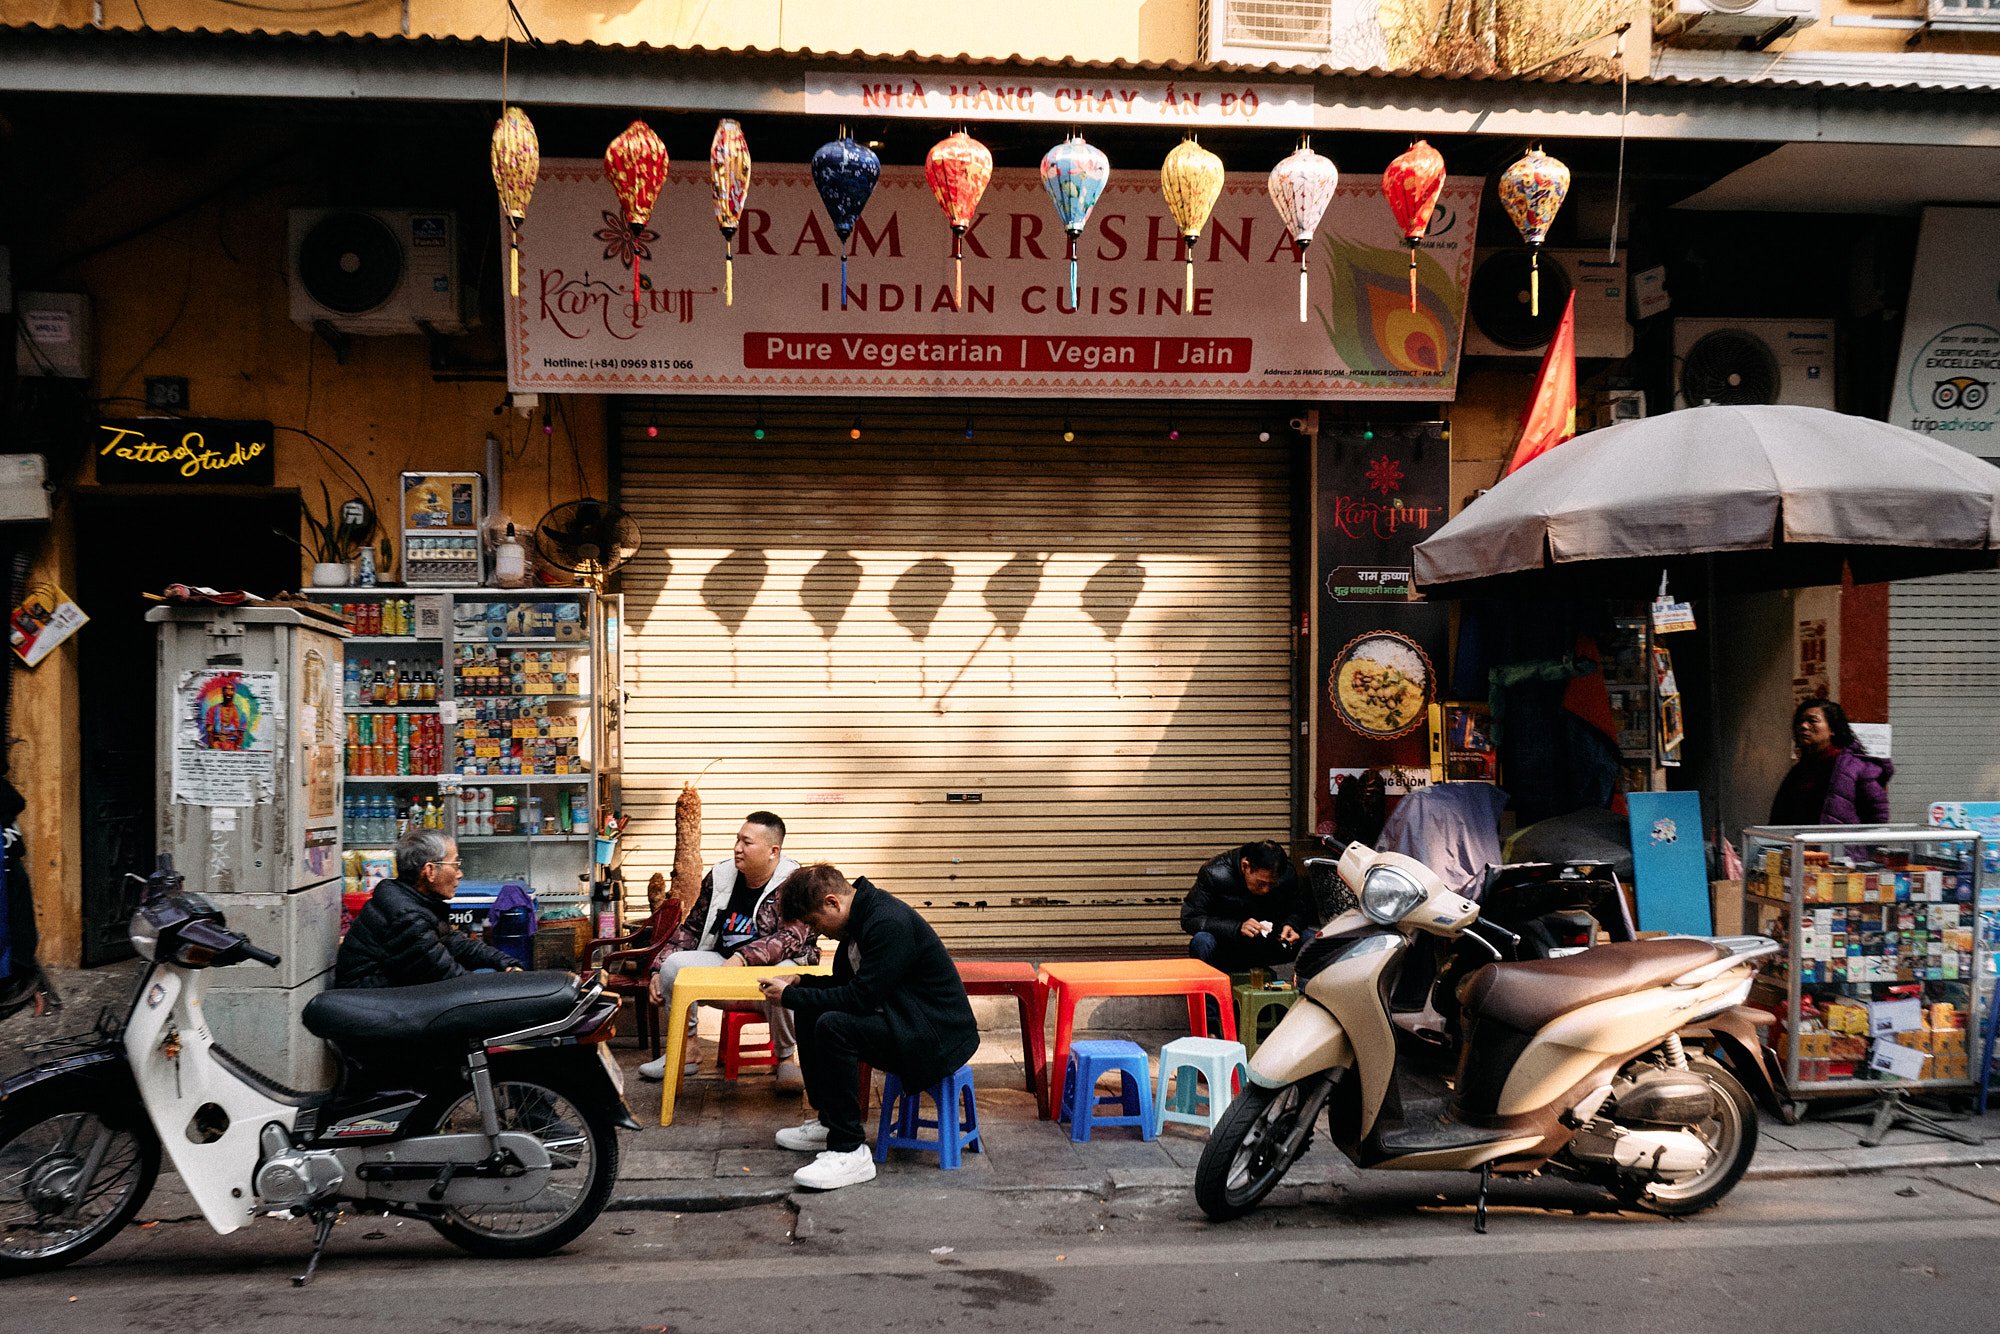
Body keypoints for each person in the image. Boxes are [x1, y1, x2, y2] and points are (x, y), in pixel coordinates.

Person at [758, 864, 979, 1192]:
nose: (817, 932)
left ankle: (850, 1150)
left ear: (833, 903)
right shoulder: (859, 921)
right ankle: (830, 1121)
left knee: (833, 1025)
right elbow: (852, 985)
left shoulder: (887, 923)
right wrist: (800, 983)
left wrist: (794, 994)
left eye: (814, 923)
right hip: (902, 1019)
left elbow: (860, 999)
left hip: (933, 1035)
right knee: (808, 1009)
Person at [637, 811, 815, 1089]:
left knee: (785, 975)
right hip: (722, 968)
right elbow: (692, 929)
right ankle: (688, 1049)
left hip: (765, 981)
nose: (737, 849)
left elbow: (791, 937)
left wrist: (743, 958)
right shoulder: (720, 875)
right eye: (737, 840)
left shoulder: (795, 883)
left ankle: (785, 1059)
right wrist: (658, 968)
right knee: (675, 966)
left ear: (773, 851)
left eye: (747, 842)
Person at [334, 829, 519, 988]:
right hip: (370, 1006)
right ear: (430, 871)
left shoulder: (413, 901)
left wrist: (504, 962)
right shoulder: (408, 918)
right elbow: (453, 981)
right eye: (455, 865)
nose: (460, 874)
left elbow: (455, 943)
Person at [1181, 839, 1313, 974]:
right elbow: (1190, 919)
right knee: (1202, 941)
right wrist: (1237, 927)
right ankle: (1210, 994)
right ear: (1245, 866)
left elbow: (1299, 910)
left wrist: (1291, 925)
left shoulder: (1287, 874)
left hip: (1267, 944)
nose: (1266, 890)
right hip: (1228, 946)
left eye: (1272, 884)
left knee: (1313, 941)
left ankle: (1305, 993)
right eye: (1261, 883)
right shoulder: (1214, 873)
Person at [1769, 698, 1894, 827]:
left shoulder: (1856, 768)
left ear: (1832, 729)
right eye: (1800, 721)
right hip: (1800, 845)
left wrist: (1859, 846)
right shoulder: (1799, 771)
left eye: (1812, 721)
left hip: (1838, 846)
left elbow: (1877, 816)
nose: (1803, 726)